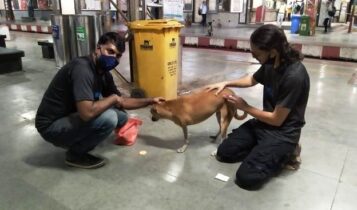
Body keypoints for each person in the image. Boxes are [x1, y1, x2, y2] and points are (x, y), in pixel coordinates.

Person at [35, 32, 164, 169]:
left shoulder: (104, 73)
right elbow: (87, 113)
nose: (114, 58)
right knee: (109, 118)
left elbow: (123, 102)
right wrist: (113, 98)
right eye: (110, 51)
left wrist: (151, 100)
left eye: (118, 56)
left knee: (121, 115)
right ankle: (75, 154)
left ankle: (84, 137)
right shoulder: (82, 69)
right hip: (51, 125)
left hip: (70, 115)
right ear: (98, 48)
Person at [206, 24, 310, 190]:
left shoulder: (294, 76)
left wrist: (245, 107)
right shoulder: (270, 63)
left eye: (257, 53)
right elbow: (251, 80)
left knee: (246, 178)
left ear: (273, 51)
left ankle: (288, 152)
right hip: (263, 124)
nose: (254, 56)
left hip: (283, 132)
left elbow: (277, 120)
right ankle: (264, 151)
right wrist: (226, 82)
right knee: (224, 153)